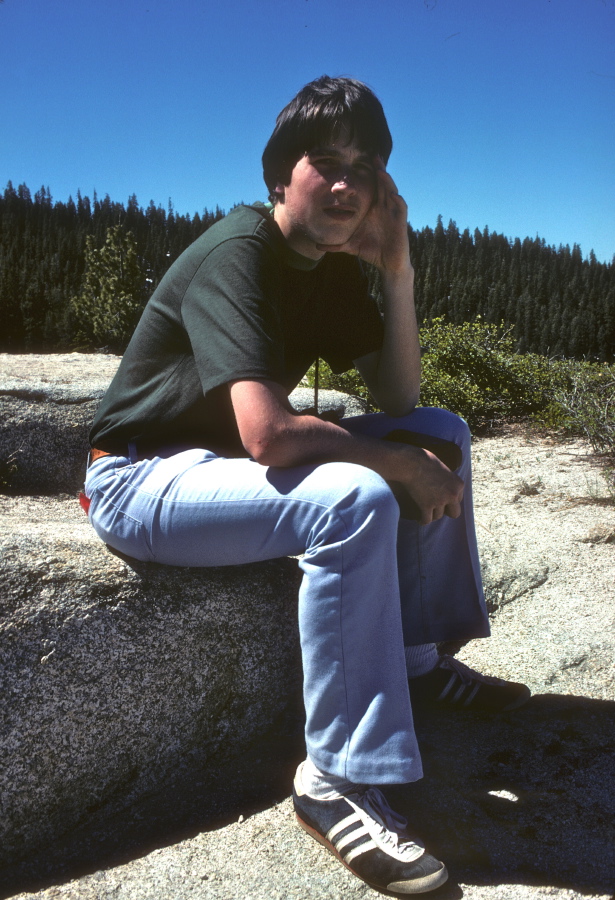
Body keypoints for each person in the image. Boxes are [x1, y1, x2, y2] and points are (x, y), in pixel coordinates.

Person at [84, 76, 530, 894]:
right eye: (324, 162)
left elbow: (399, 399)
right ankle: (334, 782)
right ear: (278, 174)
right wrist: (390, 464)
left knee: (440, 432)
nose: (345, 184)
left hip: (231, 471)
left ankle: (413, 661)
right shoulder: (237, 252)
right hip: (141, 478)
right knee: (354, 493)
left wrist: (396, 272)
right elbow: (268, 433)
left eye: (364, 169)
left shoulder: (325, 269)